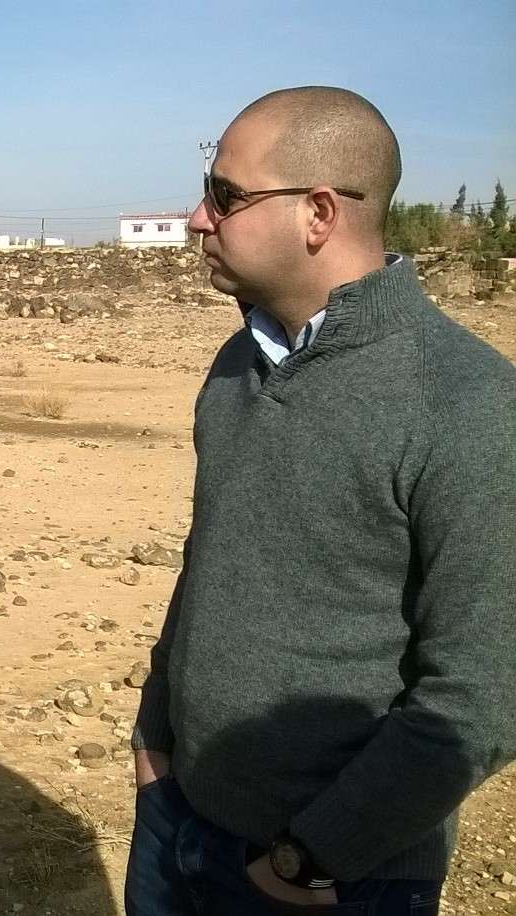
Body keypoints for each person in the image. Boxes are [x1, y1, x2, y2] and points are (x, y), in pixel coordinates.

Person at [128, 86, 516, 914]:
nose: (199, 219)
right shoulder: (236, 367)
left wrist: (315, 856)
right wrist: (154, 745)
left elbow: (486, 689)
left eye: (225, 196)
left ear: (318, 214)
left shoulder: (469, 402)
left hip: (339, 878)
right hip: (179, 828)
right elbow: (207, 567)